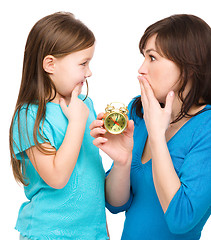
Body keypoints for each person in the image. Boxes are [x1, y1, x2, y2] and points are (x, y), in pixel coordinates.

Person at [90, 14, 211, 239]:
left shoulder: (206, 128)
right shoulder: (140, 111)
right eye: (144, 57)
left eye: (152, 58)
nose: (141, 69)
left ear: (188, 67)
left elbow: (181, 219)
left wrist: (157, 135)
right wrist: (121, 161)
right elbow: (116, 204)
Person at [9, 12, 108, 240]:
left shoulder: (85, 105)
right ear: (50, 64)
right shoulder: (29, 116)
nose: (89, 72)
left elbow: (92, 178)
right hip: (48, 233)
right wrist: (76, 121)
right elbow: (57, 177)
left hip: (92, 233)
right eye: (83, 63)